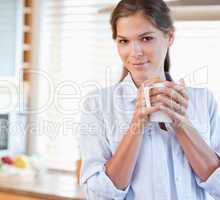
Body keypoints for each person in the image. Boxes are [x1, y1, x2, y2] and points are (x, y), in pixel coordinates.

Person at [79, 0, 220, 199]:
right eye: (124, 41)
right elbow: (99, 194)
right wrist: (137, 122)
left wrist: (182, 124)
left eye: (146, 39)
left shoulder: (203, 101)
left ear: (169, 37)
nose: (135, 52)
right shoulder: (98, 105)